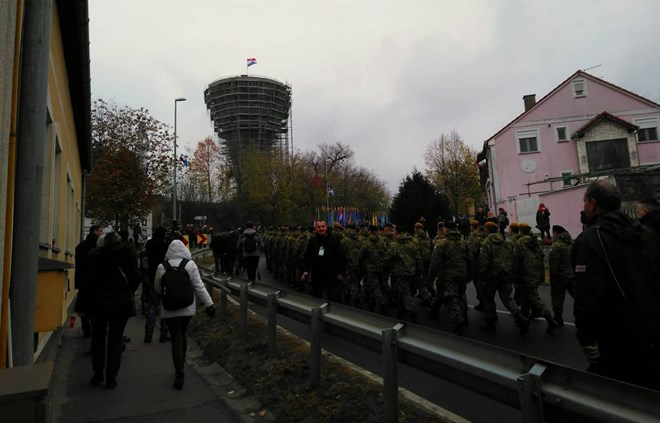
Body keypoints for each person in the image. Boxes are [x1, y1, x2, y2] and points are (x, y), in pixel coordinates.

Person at [572, 180, 660, 389]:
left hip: (616, 336)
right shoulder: (645, 234)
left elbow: (587, 294)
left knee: (615, 394)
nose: (583, 206)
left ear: (592, 204)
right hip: (653, 330)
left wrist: (586, 338)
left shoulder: (591, 240)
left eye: (585, 202)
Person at [154, 240, 215, 389]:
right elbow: (199, 286)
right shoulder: (190, 265)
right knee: (183, 334)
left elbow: (157, 288)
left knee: (175, 338)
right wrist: (209, 304)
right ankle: (182, 362)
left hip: (169, 309)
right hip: (187, 308)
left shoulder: (162, 267)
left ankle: (179, 371)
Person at [85, 232, 141, 389]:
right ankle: (111, 378)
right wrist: (127, 291)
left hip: (98, 304)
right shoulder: (126, 256)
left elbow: (87, 282)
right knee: (115, 340)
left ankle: (97, 373)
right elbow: (135, 278)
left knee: (98, 338)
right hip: (120, 304)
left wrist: (85, 304)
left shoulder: (94, 258)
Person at [478, 221, 528, 334]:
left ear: (486, 230)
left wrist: (482, 275)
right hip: (505, 274)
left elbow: (484, 262)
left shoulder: (486, 243)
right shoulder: (506, 243)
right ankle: (520, 317)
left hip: (491, 276)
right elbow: (513, 259)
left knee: (488, 299)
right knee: (507, 298)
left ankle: (490, 323)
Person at [427, 221, 469, 335]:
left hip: (448, 275)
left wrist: (430, 279)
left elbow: (434, 263)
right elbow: (469, 260)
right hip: (462, 274)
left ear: (445, 229)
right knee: (459, 295)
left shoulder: (442, 243)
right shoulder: (464, 243)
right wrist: (469, 275)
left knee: (452, 298)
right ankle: (462, 315)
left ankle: (458, 321)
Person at [384, 225, 423, 323]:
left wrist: (384, 269)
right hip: (411, 273)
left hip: (399, 274)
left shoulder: (394, 245)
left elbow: (387, 259)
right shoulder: (412, 244)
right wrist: (420, 272)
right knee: (403, 293)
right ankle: (400, 313)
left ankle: (413, 314)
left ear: (397, 232)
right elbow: (418, 258)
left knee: (405, 294)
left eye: (394, 231)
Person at [301, 220, 346, 302]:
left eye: (323, 226)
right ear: (316, 228)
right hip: (317, 274)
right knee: (316, 298)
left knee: (332, 299)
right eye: (319, 227)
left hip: (332, 274)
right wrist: (305, 270)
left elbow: (341, 257)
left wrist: (341, 272)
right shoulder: (312, 240)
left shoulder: (334, 240)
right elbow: (307, 256)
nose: (321, 229)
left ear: (326, 227)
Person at [74, 224, 104, 338]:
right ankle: (96, 333)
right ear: (96, 232)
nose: (102, 234)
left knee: (84, 309)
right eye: (101, 231)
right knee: (96, 309)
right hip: (96, 283)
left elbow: (79, 266)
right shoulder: (98, 247)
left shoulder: (81, 246)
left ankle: (86, 331)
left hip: (83, 282)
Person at [143, 227, 170, 343]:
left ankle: (148, 333)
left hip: (152, 277)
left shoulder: (149, 244)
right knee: (164, 306)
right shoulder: (166, 245)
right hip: (165, 277)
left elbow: (144, 259)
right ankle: (163, 334)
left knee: (152, 306)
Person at [548, 225, 574, 327]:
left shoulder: (556, 246)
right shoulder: (571, 244)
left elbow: (554, 265)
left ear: (555, 233)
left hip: (559, 277)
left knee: (557, 298)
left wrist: (553, 280)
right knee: (579, 296)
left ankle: (558, 318)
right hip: (571, 275)